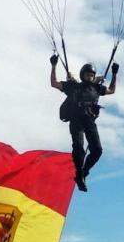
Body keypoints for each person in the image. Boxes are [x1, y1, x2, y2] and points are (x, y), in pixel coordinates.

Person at [50, 55, 117, 192]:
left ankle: (83, 172)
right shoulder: (73, 86)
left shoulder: (97, 88)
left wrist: (114, 74)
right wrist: (54, 65)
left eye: (92, 75)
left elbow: (111, 90)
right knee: (79, 149)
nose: (90, 77)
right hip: (76, 120)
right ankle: (79, 176)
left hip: (89, 121)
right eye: (87, 75)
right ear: (82, 75)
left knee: (97, 150)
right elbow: (54, 83)